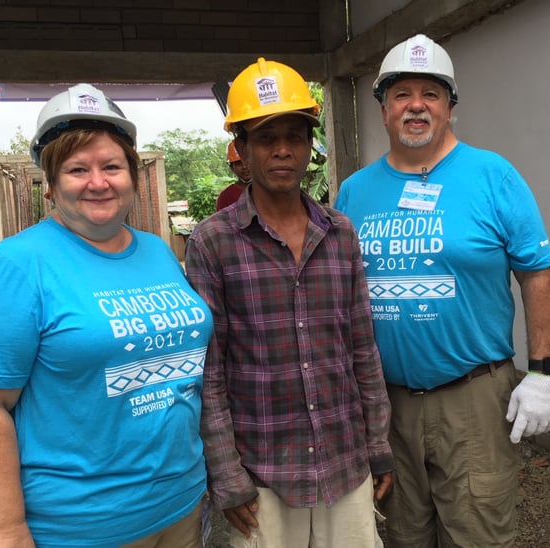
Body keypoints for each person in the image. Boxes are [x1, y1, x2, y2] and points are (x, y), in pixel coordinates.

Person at [0, 83, 214, 548]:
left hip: (182, 503)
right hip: (83, 526)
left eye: (112, 166)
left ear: (132, 175)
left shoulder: (156, 251)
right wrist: (7, 532)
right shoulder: (17, 265)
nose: (98, 182)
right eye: (77, 169)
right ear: (50, 185)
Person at [334, 34, 550, 547]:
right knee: (404, 535)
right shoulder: (354, 191)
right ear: (383, 108)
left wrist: (543, 371)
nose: (416, 105)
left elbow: (538, 274)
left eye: (431, 93)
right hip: (387, 404)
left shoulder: (493, 176)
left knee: (477, 534)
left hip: (473, 398)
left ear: (450, 107)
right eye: (401, 94)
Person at [185, 57, 394, 548]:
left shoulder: (340, 233)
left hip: (344, 461)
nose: (282, 151)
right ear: (241, 149)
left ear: (310, 146)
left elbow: (363, 349)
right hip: (263, 473)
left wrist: (377, 445)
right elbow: (209, 374)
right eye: (266, 138)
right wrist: (227, 474)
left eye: (294, 137)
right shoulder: (213, 241)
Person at [216, 139, 252, 210]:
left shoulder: (271, 190)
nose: (244, 166)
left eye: (247, 161)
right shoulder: (226, 196)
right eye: (239, 163)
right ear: (232, 167)